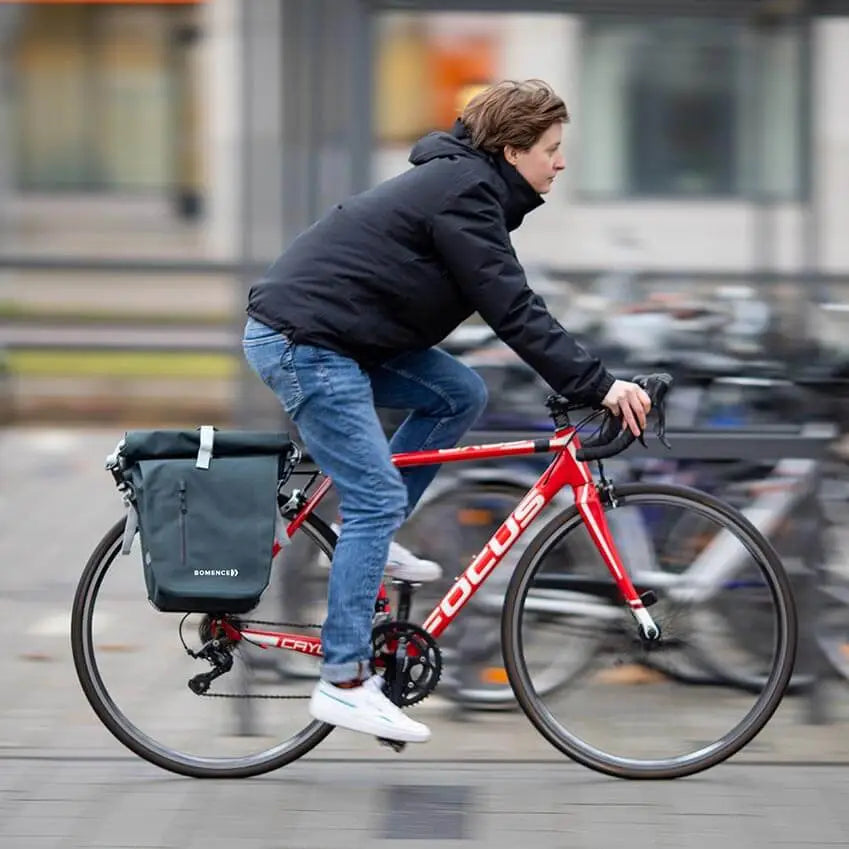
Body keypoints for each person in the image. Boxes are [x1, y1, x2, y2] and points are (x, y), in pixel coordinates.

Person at [242, 79, 651, 744]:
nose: (561, 161)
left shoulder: (467, 187)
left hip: (339, 336)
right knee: (372, 496)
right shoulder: (464, 190)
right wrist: (596, 384)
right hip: (305, 344)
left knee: (458, 392)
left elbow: (480, 293)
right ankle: (342, 681)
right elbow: (509, 304)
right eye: (551, 148)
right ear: (512, 150)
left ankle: (362, 545)